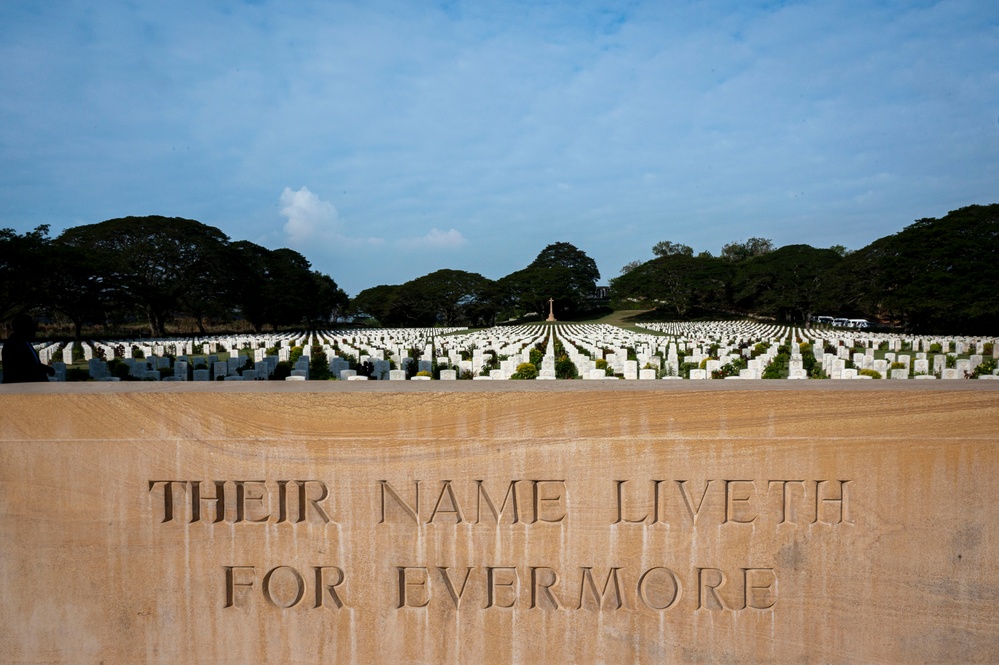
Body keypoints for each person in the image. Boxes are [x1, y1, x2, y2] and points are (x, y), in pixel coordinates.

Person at [2, 313, 55, 383]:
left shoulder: (24, 342)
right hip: (21, 389)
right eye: (31, 325)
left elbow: (32, 364)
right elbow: (23, 369)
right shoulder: (13, 345)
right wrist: (44, 370)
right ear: (23, 327)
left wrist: (47, 369)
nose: (34, 329)